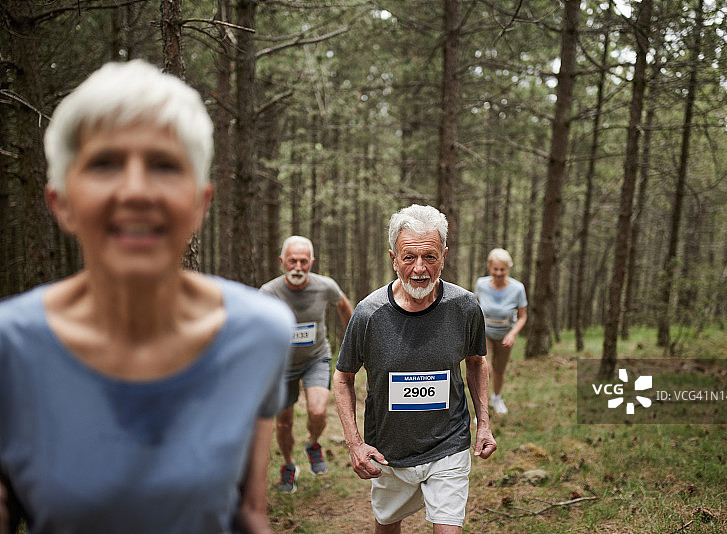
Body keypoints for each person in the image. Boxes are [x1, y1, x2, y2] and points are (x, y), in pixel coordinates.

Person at [0, 60, 295, 534]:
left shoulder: (260, 333)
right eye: (104, 164)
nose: (135, 190)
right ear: (62, 202)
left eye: (164, 165)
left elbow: (249, 513)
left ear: (200, 203)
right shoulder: (10, 347)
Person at [333, 204, 497, 534]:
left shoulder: (465, 307)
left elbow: (477, 363)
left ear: (444, 256)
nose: (419, 269)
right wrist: (354, 443)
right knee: (387, 527)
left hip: (448, 443)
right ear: (393, 258)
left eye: (430, 257)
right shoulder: (368, 314)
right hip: (388, 451)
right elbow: (343, 377)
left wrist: (483, 425)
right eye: (409, 257)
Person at [259, 236, 353, 493]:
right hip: (282, 366)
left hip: (316, 358)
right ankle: (289, 466)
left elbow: (344, 307)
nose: (298, 267)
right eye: (292, 261)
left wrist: (353, 342)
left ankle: (313, 443)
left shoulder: (325, 286)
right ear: (282, 262)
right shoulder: (269, 292)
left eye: (303, 261)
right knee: (284, 423)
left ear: (311, 262)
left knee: (318, 411)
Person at [473, 248, 528, 415]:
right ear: (489, 267)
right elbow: (475, 307)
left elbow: (522, 316)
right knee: (485, 368)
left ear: (508, 269)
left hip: (505, 336)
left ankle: (497, 398)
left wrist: (512, 334)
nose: (498, 273)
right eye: (495, 269)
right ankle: (482, 408)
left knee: (499, 370)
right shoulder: (481, 284)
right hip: (485, 334)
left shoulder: (518, 288)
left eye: (502, 270)